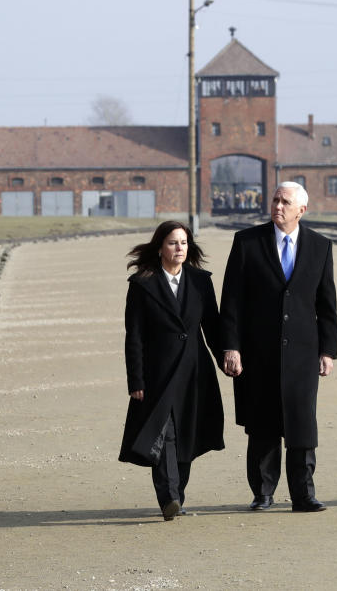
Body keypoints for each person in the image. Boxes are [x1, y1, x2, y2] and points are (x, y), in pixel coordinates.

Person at [220, 181, 337, 513]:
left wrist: (328, 351)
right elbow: (231, 301)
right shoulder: (247, 242)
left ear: (301, 210)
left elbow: (327, 304)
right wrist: (231, 347)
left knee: (302, 425)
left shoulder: (320, 246)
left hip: (303, 353)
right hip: (257, 352)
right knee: (262, 425)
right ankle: (263, 493)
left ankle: (304, 494)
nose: (278, 206)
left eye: (285, 202)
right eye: (275, 200)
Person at [119, 221, 225, 521]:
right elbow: (134, 336)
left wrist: (226, 358)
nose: (179, 248)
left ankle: (177, 493)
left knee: (188, 435)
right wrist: (136, 379)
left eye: (183, 243)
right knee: (164, 433)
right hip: (158, 373)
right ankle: (169, 496)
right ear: (160, 248)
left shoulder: (201, 281)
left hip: (195, 371)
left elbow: (213, 327)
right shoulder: (142, 284)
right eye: (172, 243)